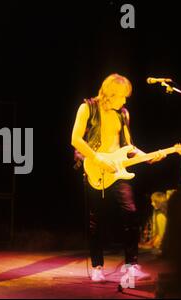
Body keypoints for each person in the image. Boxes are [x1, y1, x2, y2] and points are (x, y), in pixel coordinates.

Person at [71, 73, 165, 283]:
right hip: (96, 167)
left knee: (131, 212)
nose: (125, 100)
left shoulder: (123, 113)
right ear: (110, 94)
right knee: (96, 220)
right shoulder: (88, 108)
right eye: (122, 96)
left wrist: (149, 157)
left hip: (117, 169)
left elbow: (128, 147)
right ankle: (97, 266)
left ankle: (131, 265)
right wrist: (97, 158)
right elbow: (75, 139)